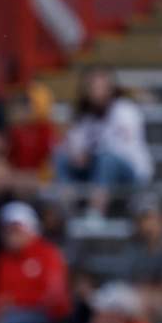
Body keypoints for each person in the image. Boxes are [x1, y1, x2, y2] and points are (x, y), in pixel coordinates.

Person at [54, 66, 153, 218]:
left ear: (111, 89)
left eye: (101, 87)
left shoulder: (126, 111)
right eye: (92, 87)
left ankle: (95, 213)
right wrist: (78, 155)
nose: (97, 92)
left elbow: (123, 150)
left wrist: (90, 154)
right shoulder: (83, 117)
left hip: (130, 172)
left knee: (106, 159)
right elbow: (75, 148)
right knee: (61, 157)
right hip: (94, 168)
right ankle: (66, 209)